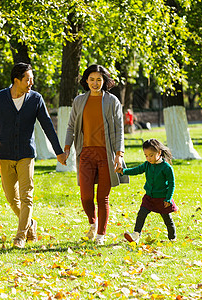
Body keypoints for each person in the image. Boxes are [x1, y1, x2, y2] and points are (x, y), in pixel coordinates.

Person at [0, 62, 67, 249]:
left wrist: (59, 151)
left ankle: (20, 236)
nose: (31, 83)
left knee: (26, 197)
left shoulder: (36, 99)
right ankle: (30, 223)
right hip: (6, 154)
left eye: (32, 80)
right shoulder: (0, 98)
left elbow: (47, 125)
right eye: (28, 80)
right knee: (12, 198)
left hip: (26, 154)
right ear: (16, 80)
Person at [64, 64, 129, 245]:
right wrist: (67, 148)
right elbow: (71, 126)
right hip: (85, 153)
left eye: (99, 79)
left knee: (103, 197)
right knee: (85, 195)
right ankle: (93, 223)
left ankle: (101, 234)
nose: (95, 83)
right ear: (86, 81)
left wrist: (119, 154)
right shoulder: (79, 101)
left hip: (107, 154)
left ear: (104, 81)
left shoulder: (112, 101)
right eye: (91, 79)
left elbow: (119, 129)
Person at [116, 138, 178, 244]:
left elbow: (172, 184)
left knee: (167, 219)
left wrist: (168, 198)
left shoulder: (166, 168)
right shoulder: (147, 164)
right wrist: (123, 171)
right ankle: (136, 234)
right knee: (141, 214)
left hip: (162, 198)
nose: (148, 158)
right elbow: (136, 170)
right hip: (149, 197)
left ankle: (172, 238)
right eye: (146, 155)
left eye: (151, 155)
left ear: (159, 153)